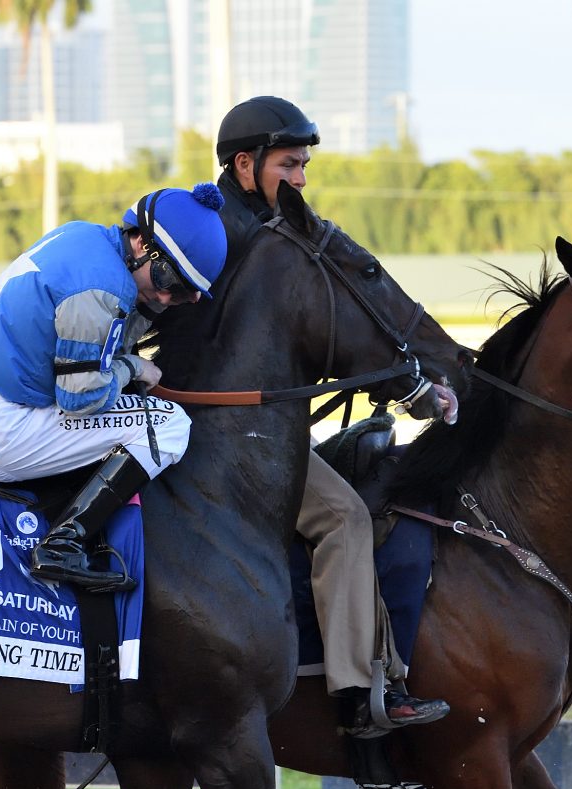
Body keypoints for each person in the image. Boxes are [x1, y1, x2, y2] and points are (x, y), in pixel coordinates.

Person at [215, 96, 449, 735]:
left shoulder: (269, 230)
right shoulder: (222, 235)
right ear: (245, 164)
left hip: (255, 430)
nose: (301, 179)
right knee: (344, 515)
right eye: (290, 164)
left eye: (304, 165)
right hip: (223, 439)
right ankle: (360, 692)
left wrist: (413, 383)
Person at [0, 183, 227, 593]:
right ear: (140, 239)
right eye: (165, 277)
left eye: (182, 294)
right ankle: (62, 543)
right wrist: (133, 367)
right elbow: (82, 399)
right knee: (168, 424)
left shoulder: (83, 236)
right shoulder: (103, 288)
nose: (165, 295)